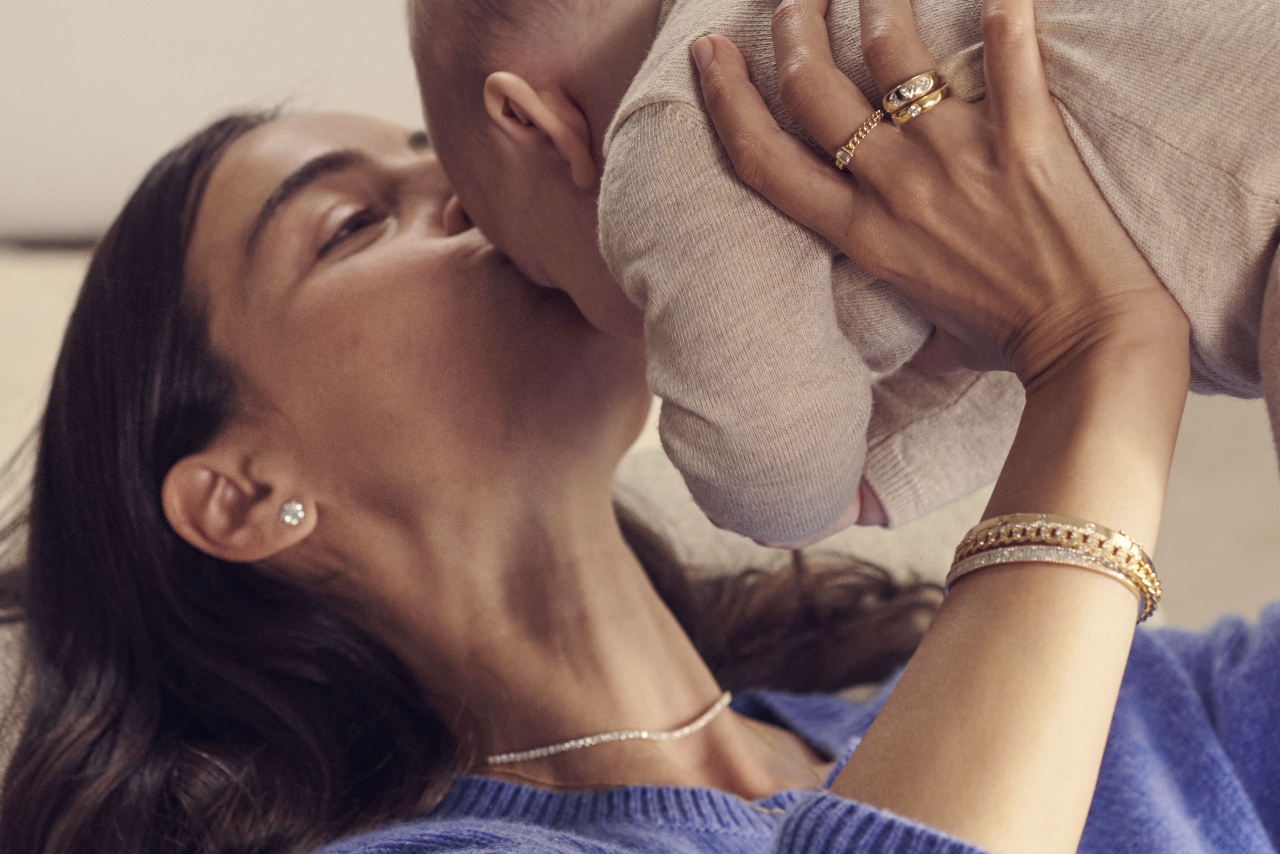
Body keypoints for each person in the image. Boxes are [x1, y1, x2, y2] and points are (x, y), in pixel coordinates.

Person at [0, 2, 1276, 853]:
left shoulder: (1147, 704)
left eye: (425, 151)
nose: (462, 187)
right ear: (240, 493)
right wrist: (1096, 353)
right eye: (348, 222)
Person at [409, 0, 1280, 548]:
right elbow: (1000, 344)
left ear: (533, 123)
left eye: (542, 272)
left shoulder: (682, 112)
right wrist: (885, 476)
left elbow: (765, 443)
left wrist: (807, 503)